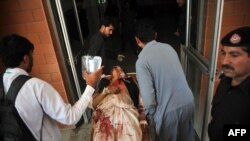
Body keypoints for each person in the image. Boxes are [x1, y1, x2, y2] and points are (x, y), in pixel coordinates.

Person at [0, 34, 103, 141]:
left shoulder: (2, 83)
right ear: (25, 59)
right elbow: (70, 117)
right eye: (31, 55)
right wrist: (91, 85)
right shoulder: (35, 87)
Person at [134, 18, 195, 141]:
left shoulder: (142, 62)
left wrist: (152, 117)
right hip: (188, 102)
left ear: (137, 40)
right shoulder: (169, 47)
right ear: (155, 35)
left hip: (168, 113)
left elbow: (149, 99)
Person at [208, 26, 250, 141]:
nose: (224, 61)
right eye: (223, 53)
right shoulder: (226, 80)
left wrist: (224, 133)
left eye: (234, 55)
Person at [88, 66, 146, 141]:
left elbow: (140, 100)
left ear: (124, 74)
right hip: (106, 112)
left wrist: (143, 119)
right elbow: (94, 103)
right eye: (114, 68)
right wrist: (106, 91)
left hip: (126, 111)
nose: (116, 67)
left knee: (130, 134)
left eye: (120, 69)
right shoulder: (104, 82)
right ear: (111, 75)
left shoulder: (130, 82)